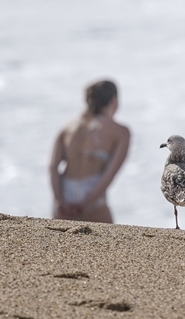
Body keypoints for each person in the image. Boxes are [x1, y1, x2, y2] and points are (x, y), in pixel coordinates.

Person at [49, 79, 130, 223]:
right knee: (108, 237)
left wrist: (58, 200)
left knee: (61, 237)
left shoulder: (67, 127)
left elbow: (53, 167)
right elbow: (110, 173)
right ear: (114, 101)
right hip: (92, 190)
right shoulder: (120, 131)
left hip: (65, 190)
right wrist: (88, 202)